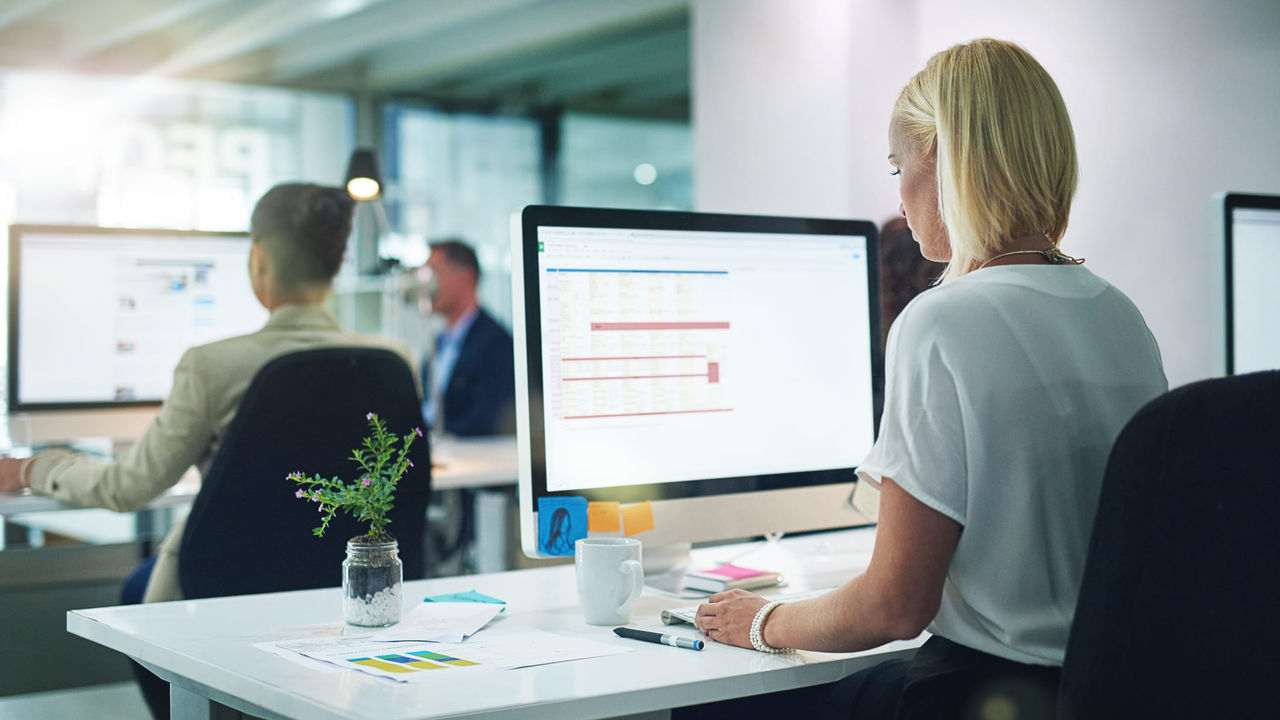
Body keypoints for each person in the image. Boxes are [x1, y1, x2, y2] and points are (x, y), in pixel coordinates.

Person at [688, 39, 1168, 718]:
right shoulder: (1120, 314)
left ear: (947, 162)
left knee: (713, 708)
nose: (902, 198)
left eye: (899, 167)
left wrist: (762, 621)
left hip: (981, 692)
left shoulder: (941, 321)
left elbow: (893, 607)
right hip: (1105, 690)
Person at [0, 183, 416, 719]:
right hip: (349, 589)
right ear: (335, 264)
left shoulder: (212, 365)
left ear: (258, 259)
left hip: (231, 586)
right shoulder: (392, 359)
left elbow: (128, 487)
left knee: (136, 589)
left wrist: (34, 466)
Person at [418, 239, 516, 436]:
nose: (427, 285)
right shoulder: (438, 342)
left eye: (434, 273)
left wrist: (430, 432)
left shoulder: (496, 343)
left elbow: (488, 419)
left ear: (465, 278)